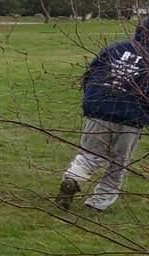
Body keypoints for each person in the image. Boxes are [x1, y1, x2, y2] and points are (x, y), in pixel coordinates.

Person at [58, 19, 149, 212]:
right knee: (119, 162)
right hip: (131, 118)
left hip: (100, 110)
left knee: (89, 154)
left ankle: (73, 178)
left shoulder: (115, 48)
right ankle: (98, 202)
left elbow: (91, 73)